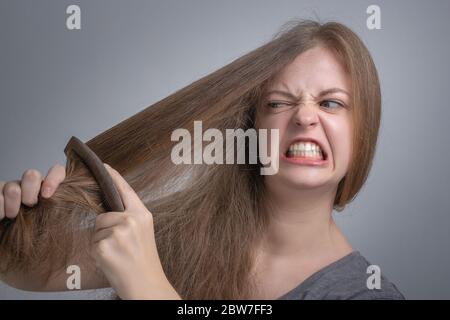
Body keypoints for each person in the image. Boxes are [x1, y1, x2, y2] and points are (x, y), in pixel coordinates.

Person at [0, 19, 405, 299]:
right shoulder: (177, 234)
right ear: (252, 129)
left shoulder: (363, 292)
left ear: (362, 133)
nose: (303, 116)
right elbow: (29, 269)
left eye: (331, 103)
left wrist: (148, 285)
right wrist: (12, 226)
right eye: (279, 102)